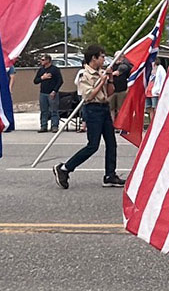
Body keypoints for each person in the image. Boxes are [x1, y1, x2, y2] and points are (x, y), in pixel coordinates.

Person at [53, 45, 124, 188]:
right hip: (92, 110)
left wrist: (109, 79)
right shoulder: (84, 75)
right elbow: (88, 95)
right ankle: (65, 168)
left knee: (112, 143)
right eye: (102, 56)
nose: (104, 59)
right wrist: (101, 81)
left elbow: (110, 92)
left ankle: (110, 175)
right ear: (94, 58)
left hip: (104, 108)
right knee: (93, 145)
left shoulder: (102, 73)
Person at [33, 55, 63, 133]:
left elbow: (60, 81)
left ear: (48, 60)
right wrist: (42, 78)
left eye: (43, 60)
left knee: (54, 110)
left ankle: (54, 126)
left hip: (52, 93)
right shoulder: (41, 70)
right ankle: (43, 126)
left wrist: (54, 91)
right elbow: (35, 81)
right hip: (43, 93)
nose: (41, 61)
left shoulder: (55, 70)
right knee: (44, 110)